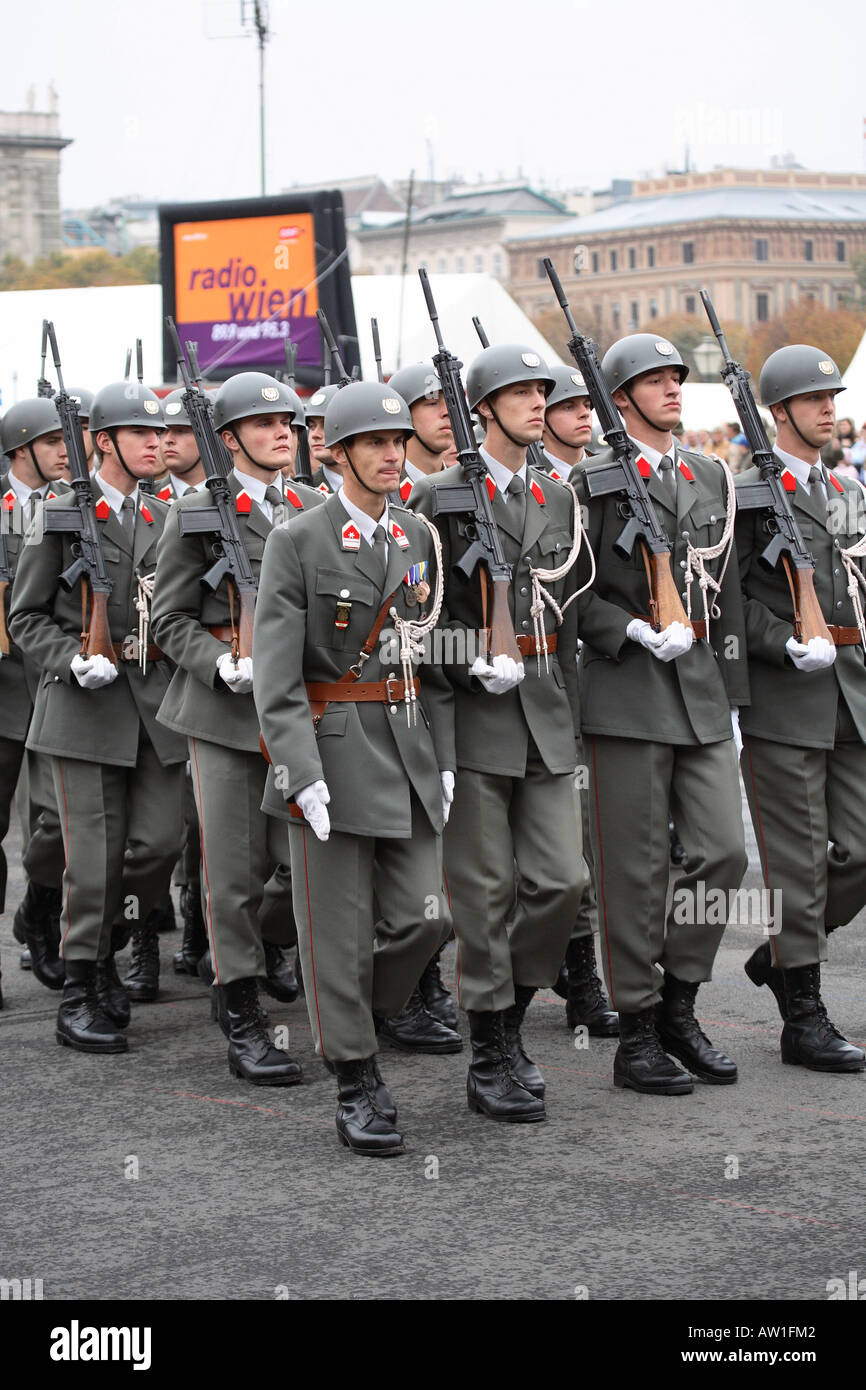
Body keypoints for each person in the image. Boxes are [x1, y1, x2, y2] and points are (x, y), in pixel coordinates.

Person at [254, 379, 456, 1155]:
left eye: (398, 441)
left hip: (404, 740)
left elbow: (428, 659)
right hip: (332, 744)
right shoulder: (298, 541)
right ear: (336, 453)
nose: (389, 454)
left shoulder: (414, 536)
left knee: (426, 915)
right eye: (372, 443)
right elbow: (275, 676)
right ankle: (355, 1074)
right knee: (334, 931)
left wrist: (442, 756)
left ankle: (359, 1013)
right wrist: (297, 772)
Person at [411, 343, 588, 1123]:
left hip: (544, 709)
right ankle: (490, 1050)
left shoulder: (557, 497)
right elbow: (410, 621)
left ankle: (511, 1012)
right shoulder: (435, 498)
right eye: (516, 393)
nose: (532, 403)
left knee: (562, 882)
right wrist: (465, 661)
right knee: (483, 896)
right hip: (474, 718)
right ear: (480, 409)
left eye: (539, 392)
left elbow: (572, 615)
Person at [573, 333, 748, 1095]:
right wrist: (626, 628)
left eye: (676, 376)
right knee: (635, 871)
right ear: (620, 399)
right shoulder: (588, 484)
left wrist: (734, 693)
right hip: (626, 693)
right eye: (653, 380)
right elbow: (565, 590)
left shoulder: (710, 472)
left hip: (701, 689)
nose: (673, 388)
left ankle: (680, 999)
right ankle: (637, 1029)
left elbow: (731, 586)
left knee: (721, 854)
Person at [151, 372, 321, 1085]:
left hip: (303, 709)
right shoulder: (192, 514)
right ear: (228, 439)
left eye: (290, 422)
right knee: (232, 871)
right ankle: (243, 1012)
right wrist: (221, 663)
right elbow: (168, 619)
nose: (283, 432)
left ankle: (267, 949)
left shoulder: (314, 507)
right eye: (264, 424)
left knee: (301, 859)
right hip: (225, 715)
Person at [9, 380, 187, 1052]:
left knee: (157, 845)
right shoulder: (59, 512)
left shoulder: (165, 516)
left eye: (161, 433)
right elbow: (24, 615)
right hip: (83, 709)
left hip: (153, 708)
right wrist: (68, 657)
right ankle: (83, 982)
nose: (157, 443)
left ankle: (103, 938)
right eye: (141, 434)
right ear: (104, 442)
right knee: (94, 856)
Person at [737, 345, 866, 1072]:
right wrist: (783, 642)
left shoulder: (844, 488)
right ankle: (804, 1017)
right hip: (786, 696)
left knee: (862, 847)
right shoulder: (747, 492)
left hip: (851, 688)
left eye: (832, 396)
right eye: (813, 399)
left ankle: (781, 954)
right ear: (779, 412)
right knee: (795, 866)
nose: (828, 408)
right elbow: (725, 602)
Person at [1, 398, 69, 997]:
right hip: (0, 686)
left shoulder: (72, 507)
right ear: (22, 449)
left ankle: (41, 914)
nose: (66, 452)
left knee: (59, 823)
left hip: (53, 681)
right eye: (53, 443)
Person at [387, 362, 453, 501]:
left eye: (451, 403)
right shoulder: (385, 495)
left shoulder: (468, 483)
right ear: (404, 415)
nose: (446, 412)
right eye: (432, 403)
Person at [539, 365, 593, 480]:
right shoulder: (530, 480)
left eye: (587, 405)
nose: (585, 413)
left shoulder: (610, 470)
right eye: (568, 407)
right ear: (541, 419)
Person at [305, 384, 343, 494]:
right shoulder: (306, 491)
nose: (314, 435)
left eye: (326, 425)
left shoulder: (381, 485)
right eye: (312, 426)